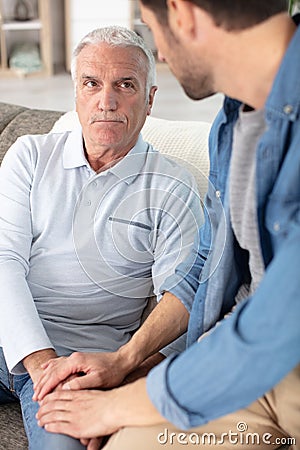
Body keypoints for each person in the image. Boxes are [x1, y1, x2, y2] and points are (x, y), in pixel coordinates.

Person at [35, 1, 300, 449]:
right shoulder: (234, 121)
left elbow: (280, 320)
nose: (158, 50)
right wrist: (125, 360)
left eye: (150, 23)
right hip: (245, 375)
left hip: (272, 358)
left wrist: (122, 403)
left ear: (181, 13)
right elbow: (205, 266)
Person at [0, 25, 203, 450]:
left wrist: (123, 382)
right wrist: (42, 366)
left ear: (149, 99)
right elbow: (4, 261)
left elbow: (183, 307)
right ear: (76, 91)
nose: (105, 102)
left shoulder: (174, 187)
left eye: (124, 85)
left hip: (85, 365)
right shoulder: (30, 156)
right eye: (91, 83)